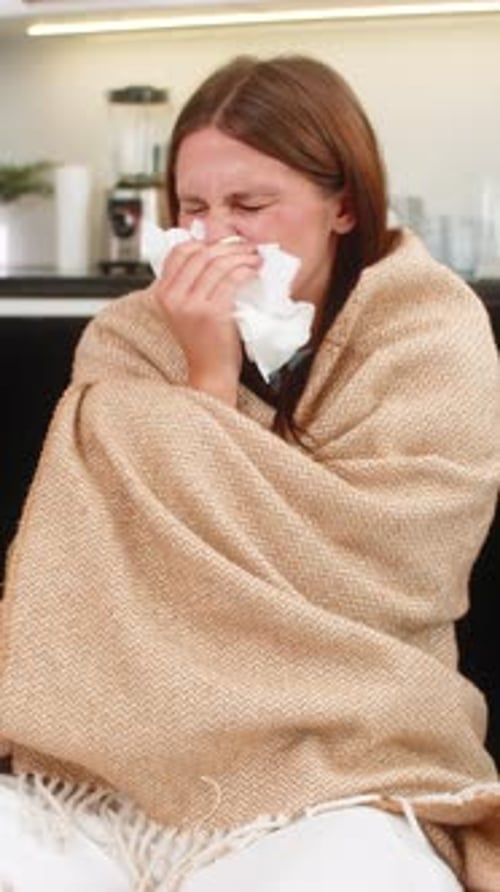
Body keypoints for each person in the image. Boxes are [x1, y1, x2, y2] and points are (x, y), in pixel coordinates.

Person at [0, 54, 499, 892]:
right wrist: (205, 369)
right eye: (192, 208)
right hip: (122, 732)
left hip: (342, 739)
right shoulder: (128, 338)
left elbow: (396, 563)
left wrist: (190, 412)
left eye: (250, 206)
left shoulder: (429, 335)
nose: (214, 238)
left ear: (343, 205)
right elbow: (110, 564)